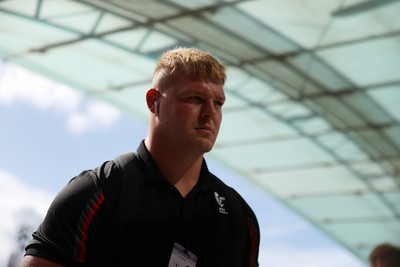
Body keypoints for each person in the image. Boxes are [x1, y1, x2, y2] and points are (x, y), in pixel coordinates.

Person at [20, 47, 260, 267]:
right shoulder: (97, 193)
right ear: (154, 102)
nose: (210, 113)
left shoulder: (239, 218)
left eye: (218, 103)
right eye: (195, 98)